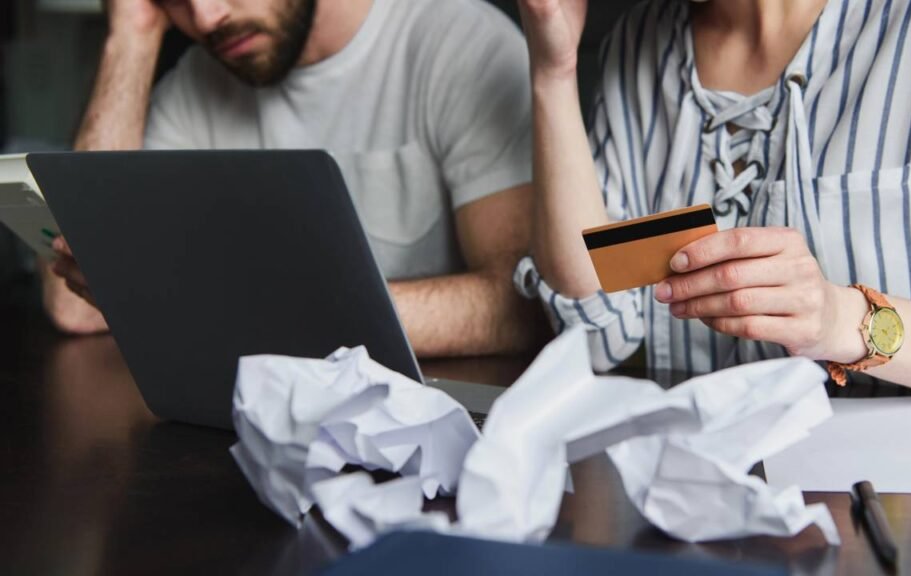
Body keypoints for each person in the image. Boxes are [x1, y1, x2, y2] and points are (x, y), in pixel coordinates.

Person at [516, 0, 911, 397]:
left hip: (896, 492)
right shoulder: (637, 44)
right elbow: (597, 335)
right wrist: (554, 71)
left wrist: (838, 318)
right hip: (697, 484)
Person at [45, 0, 541, 358]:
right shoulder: (196, 84)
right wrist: (130, 36)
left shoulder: (462, 44)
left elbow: (521, 305)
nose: (206, 17)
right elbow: (77, 308)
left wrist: (238, 309)